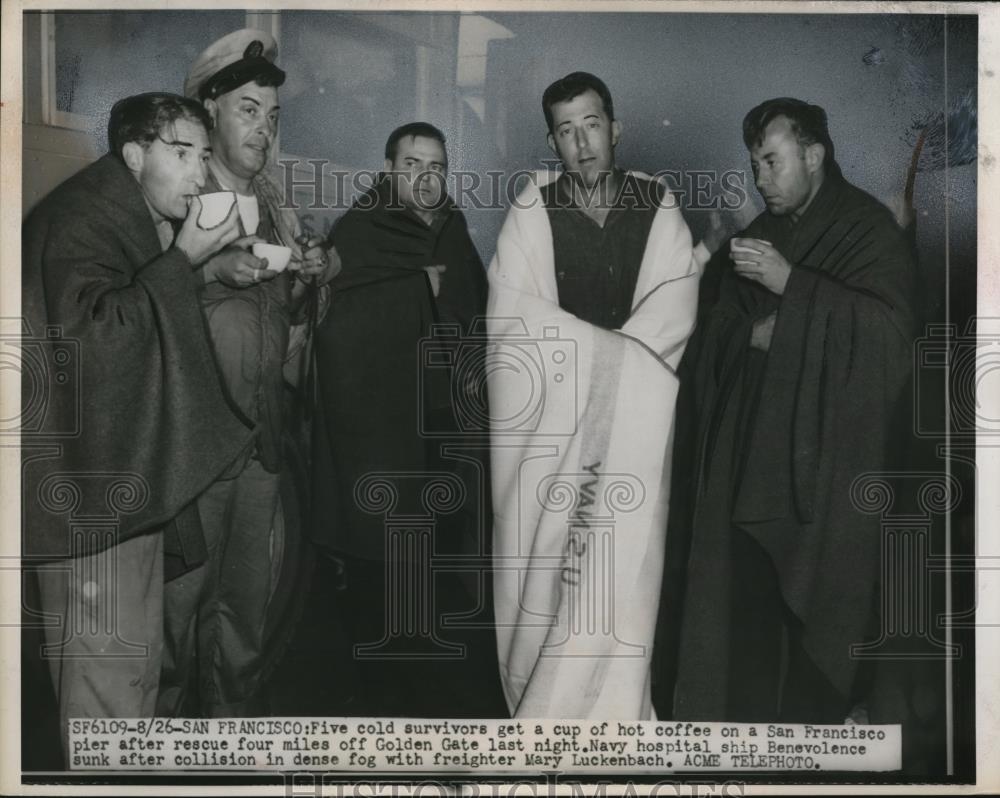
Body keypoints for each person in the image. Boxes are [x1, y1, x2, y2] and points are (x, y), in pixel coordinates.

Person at [672, 98, 918, 723]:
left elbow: (891, 342)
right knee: (747, 637)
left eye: (773, 162)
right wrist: (746, 336)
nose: (761, 180)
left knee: (818, 647)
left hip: (827, 477)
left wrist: (794, 289)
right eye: (755, 166)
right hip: (752, 477)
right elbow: (713, 336)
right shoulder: (755, 236)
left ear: (814, 155)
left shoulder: (868, 228)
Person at [21, 92, 253, 748]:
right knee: (109, 683)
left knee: (128, 671)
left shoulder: (114, 209)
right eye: (181, 154)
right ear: (132, 153)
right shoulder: (84, 218)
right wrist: (184, 259)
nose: (199, 174)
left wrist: (198, 266)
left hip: (109, 483)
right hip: (94, 496)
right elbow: (99, 343)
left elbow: (125, 307)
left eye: (204, 157)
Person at [487, 72, 707, 719]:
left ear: (615, 128)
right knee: (551, 567)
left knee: (624, 575)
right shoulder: (533, 208)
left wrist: (606, 365)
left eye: (591, 125)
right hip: (555, 435)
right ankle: (542, 709)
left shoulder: (656, 202)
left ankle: (618, 712)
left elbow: (676, 303)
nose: (581, 143)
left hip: (636, 429)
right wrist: (603, 362)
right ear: (551, 141)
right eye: (565, 130)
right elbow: (512, 320)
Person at [158, 29, 339, 717]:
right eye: (247, 110)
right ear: (208, 111)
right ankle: (158, 765)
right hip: (193, 446)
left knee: (243, 618)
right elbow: (142, 294)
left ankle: (227, 755)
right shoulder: (177, 190)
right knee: (176, 616)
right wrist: (211, 270)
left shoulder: (275, 200)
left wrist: (309, 275)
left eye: (272, 114)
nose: (263, 128)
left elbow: (288, 316)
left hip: (261, 443)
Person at [311, 122, 498, 717]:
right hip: (383, 424)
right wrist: (415, 289)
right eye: (412, 164)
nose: (425, 177)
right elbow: (337, 326)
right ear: (389, 169)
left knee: (436, 554)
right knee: (384, 558)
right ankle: (384, 689)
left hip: (442, 416)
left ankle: (432, 677)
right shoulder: (361, 229)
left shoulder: (454, 226)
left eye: (437, 166)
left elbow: (478, 304)